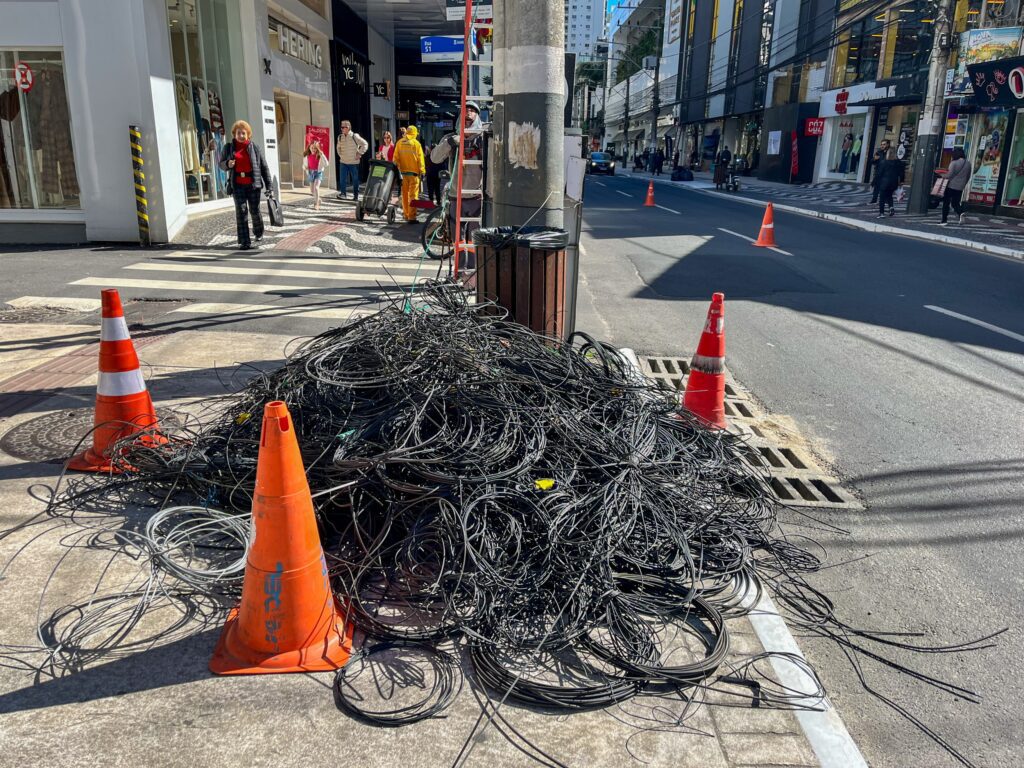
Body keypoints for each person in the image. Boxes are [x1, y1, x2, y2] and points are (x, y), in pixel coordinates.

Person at [432, 101, 485, 263]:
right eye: (465, 110)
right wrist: (450, 143)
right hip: (456, 198)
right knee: (459, 240)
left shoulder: (483, 139)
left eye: (472, 111)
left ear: (477, 117)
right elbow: (434, 158)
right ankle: (460, 269)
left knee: (474, 239)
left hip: (476, 198)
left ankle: (473, 271)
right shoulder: (450, 139)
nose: (468, 113)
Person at [219, 120, 272, 251]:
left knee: (255, 211)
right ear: (234, 134)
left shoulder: (255, 148)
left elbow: (264, 167)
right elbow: (221, 164)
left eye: (244, 133)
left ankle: (258, 232)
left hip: (253, 185)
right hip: (237, 185)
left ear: (248, 134)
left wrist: (269, 186)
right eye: (239, 133)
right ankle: (244, 242)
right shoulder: (228, 148)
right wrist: (227, 164)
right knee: (241, 212)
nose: (241, 135)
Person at [394, 125, 425, 222]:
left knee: (404, 195)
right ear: (415, 134)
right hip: (414, 175)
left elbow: (395, 159)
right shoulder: (416, 144)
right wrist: (423, 171)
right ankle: (412, 217)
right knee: (413, 196)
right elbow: (420, 160)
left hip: (403, 175)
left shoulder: (399, 143)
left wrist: (397, 171)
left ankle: (406, 215)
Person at [335, 120, 368, 201]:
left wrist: (359, 153)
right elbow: (338, 148)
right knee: (342, 179)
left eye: (343, 127)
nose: (341, 128)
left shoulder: (354, 136)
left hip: (353, 163)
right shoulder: (340, 137)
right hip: (343, 162)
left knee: (355, 180)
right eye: (341, 127)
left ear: (348, 127)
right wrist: (341, 155)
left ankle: (356, 196)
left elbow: (365, 144)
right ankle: (343, 194)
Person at [940, 147, 972, 226]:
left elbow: (949, 175)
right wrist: (963, 184)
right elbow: (968, 176)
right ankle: (961, 212)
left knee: (946, 203)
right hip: (960, 186)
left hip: (951, 185)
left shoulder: (954, 163)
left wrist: (941, 175)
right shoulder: (968, 163)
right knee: (955, 203)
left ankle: (944, 220)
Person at [875, 149, 905, 218]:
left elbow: (879, 173)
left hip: (884, 182)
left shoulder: (884, 162)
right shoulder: (898, 163)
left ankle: (881, 213)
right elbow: (902, 173)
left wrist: (875, 182)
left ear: (887, 154)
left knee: (882, 198)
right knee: (889, 195)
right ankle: (891, 208)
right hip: (894, 183)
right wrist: (901, 181)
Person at [303, 137, 326, 211]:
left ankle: (316, 204)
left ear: (317, 149)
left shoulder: (319, 155)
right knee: (312, 191)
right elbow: (304, 165)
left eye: (315, 148)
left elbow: (326, 163)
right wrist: (305, 167)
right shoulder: (307, 156)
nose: (313, 149)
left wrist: (322, 155)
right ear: (309, 147)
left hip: (318, 173)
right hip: (310, 173)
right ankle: (318, 198)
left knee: (316, 188)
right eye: (312, 148)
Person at [869, 140, 891, 204]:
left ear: (888, 145)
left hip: (887, 173)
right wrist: (874, 159)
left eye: (884, 144)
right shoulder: (878, 152)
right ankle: (874, 200)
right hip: (878, 172)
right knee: (876, 187)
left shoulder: (890, 153)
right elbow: (872, 162)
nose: (882, 146)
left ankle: (886, 200)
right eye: (881, 144)